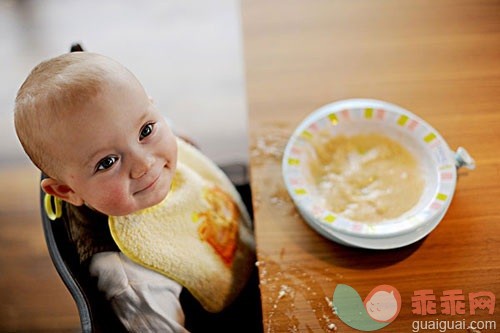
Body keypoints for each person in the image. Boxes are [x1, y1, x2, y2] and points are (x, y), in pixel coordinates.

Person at [14, 51, 262, 332]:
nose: (144, 164)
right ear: (66, 190)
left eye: (145, 131)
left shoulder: (123, 126)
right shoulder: (134, 282)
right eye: (107, 162)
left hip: (258, 249)